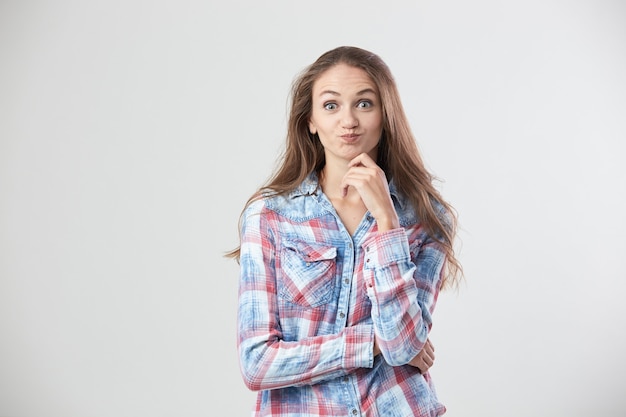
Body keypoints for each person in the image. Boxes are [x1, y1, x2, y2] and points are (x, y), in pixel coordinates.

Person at [227, 46, 462, 417]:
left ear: (386, 115)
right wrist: (370, 342)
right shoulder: (270, 215)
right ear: (310, 120)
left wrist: (386, 222)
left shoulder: (425, 218)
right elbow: (257, 363)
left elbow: (402, 346)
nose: (348, 121)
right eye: (331, 106)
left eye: (364, 104)